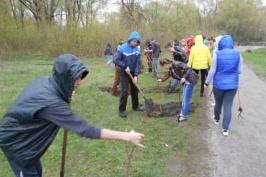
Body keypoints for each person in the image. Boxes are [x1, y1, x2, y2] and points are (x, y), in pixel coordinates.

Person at [0, 54, 144, 177]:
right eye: (75, 80)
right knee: (29, 172)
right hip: (17, 144)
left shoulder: (45, 82)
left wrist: (65, 95)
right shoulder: (53, 105)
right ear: (65, 77)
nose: (79, 82)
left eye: (79, 78)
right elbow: (86, 130)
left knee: (38, 170)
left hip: (24, 135)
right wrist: (126, 136)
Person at [205, 35, 243, 136]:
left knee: (218, 103)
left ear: (221, 43)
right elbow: (239, 71)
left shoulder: (217, 54)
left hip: (218, 85)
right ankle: (225, 129)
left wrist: (206, 82)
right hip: (232, 86)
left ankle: (217, 119)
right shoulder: (238, 54)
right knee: (228, 105)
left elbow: (212, 71)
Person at [113, 32, 143, 118]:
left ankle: (135, 106)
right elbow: (115, 60)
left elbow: (137, 63)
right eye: (134, 41)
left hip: (133, 72)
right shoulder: (122, 48)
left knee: (135, 90)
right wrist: (124, 66)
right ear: (130, 40)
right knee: (125, 91)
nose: (135, 43)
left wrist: (136, 75)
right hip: (124, 72)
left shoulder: (137, 49)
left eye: (137, 41)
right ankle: (121, 110)